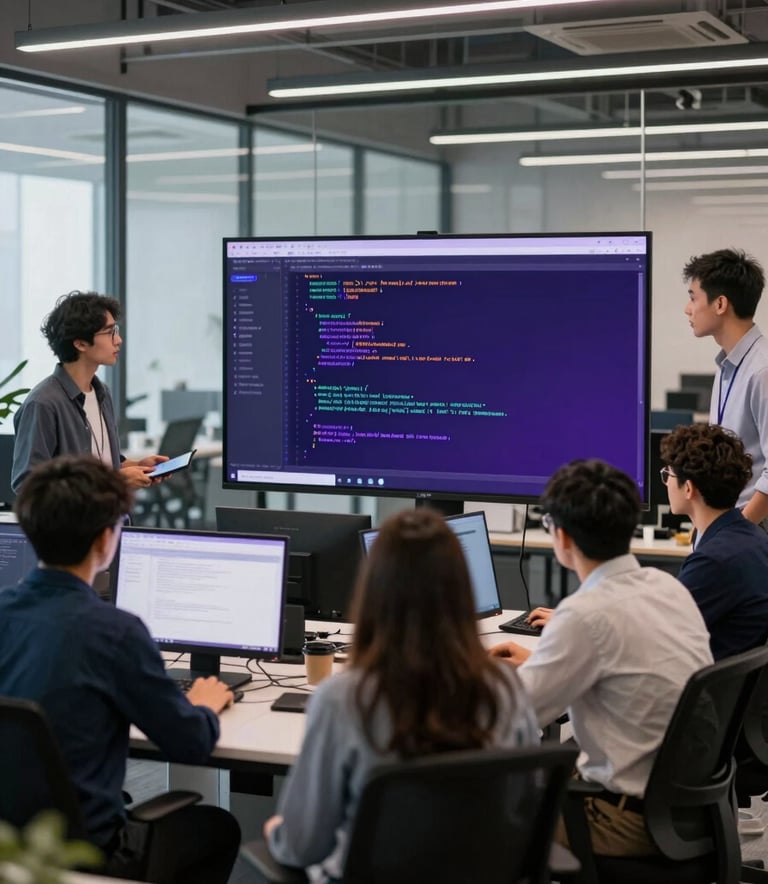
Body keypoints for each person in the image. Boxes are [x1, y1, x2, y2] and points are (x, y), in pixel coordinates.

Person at [264, 507, 538, 882]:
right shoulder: (506, 690)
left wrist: (277, 830)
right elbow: (519, 814)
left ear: (373, 593)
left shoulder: (343, 699)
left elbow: (302, 845)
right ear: (462, 591)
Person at [0, 455, 240, 883]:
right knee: (218, 828)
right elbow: (188, 744)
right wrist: (203, 705)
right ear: (104, 541)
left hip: (10, 843)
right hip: (83, 852)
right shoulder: (115, 633)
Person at [490, 459, 712, 857]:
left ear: (564, 538)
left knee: (471, 813)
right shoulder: (667, 587)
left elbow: (513, 715)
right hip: (694, 810)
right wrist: (540, 663)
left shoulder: (584, 614)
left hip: (624, 820)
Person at [11, 290, 167, 492]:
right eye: (110, 332)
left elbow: (103, 463)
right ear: (80, 343)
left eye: (116, 330)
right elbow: (29, 486)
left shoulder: (102, 393)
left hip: (112, 520)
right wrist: (115, 480)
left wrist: (135, 466)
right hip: (73, 524)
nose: (118, 340)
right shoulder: (43, 404)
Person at [659, 423, 768, 659]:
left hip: (701, 690)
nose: (666, 482)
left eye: (668, 474)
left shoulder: (713, 562)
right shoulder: (755, 540)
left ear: (688, 488)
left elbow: (658, 631)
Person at [682, 248, 768, 527]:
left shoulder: (761, 371)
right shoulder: (728, 366)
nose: (688, 308)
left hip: (752, 530)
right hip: (728, 527)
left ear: (720, 304)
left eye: (693, 297)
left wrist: (737, 532)